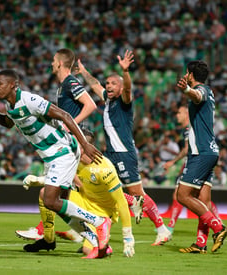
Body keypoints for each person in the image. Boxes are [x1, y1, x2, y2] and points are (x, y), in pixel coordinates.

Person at [0, 69, 111, 258]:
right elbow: (8, 123)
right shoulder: (10, 105)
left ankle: (99, 222)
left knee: (49, 200)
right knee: (58, 204)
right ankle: (98, 242)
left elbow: (65, 116)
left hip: (62, 151)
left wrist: (84, 144)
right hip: (50, 155)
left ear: (13, 85)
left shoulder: (30, 100)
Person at [14, 48, 107, 253]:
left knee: (50, 195)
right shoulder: (62, 86)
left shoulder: (71, 82)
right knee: (55, 198)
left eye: (54, 60)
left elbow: (90, 105)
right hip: (67, 141)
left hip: (70, 143)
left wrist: (68, 126)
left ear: (61, 63)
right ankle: (61, 238)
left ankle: (95, 225)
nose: (51, 63)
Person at [77, 50, 171, 245]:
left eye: (113, 84)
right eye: (108, 83)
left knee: (138, 193)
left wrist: (126, 72)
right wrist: (84, 71)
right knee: (103, 187)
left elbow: (128, 90)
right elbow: (95, 84)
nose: (109, 86)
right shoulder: (108, 100)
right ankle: (99, 227)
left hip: (124, 154)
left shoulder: (124, 102)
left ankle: (161, 229)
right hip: (110, 154)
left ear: (120, 88)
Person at [18, 129, 135, 257]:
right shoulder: (72, 158)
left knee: (87, 251)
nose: (70, 145)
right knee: (46, 193)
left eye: (75, 142)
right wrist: (38, 180)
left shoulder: (104, 168)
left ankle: (102, 243)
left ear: (87, 146)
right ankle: (48, 239)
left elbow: (121, 202)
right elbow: (59, 180)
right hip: (82, 200)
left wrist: (127, 238)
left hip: (103, 211)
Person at [175, 60, 227, 254]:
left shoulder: (203, 90)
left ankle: (218, 227)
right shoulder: (209, 92)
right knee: (203, 201)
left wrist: (187, 90)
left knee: (182, 195)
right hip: (210, 151)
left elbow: (197, 96)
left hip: (202, 153)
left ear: (190, 74)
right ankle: (200, 243)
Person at [163, 105, 221, 238]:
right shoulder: (190, 128)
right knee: (203, 199)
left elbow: (186, 149)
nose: (177, 115)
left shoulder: (192, 127)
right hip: (200, 161)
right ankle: (215, 224)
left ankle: (171, 227)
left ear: (186, 114)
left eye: (179, 112)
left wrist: (173, 162)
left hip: (195, 163)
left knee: (181, 194)